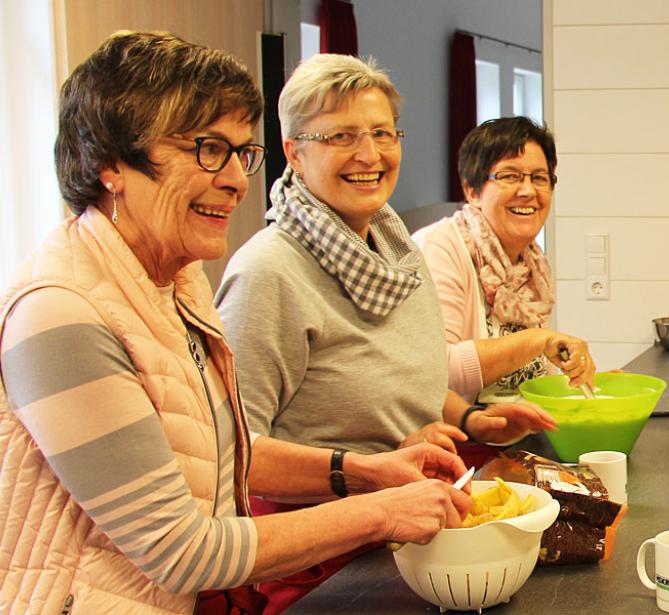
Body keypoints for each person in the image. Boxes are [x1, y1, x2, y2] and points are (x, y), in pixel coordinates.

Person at [0, 32, 473, 615]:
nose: (235, 179)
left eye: (240, 152)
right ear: (108, 164)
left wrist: (364, 472)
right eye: (206, 149)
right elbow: (180, 550)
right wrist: (381, 511)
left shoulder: (173, 280)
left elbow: (227, 453)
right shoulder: (60, 317)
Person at [216, 55, 559, 462]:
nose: (369, 154)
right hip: (328, 517)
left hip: (416, 500)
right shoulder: (267, 271)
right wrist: (365, 469)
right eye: (341, 137)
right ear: (294, 154)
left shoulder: (400, 253)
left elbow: (409, 387)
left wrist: (471, 420)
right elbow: (233, 456)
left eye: (382, 133)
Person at [413, 117, 597, 405]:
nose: (527, 191)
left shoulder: (531, 262)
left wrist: (578, 384)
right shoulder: (441, 247)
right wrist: (538, 340)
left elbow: (530, 376)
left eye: (539, 178)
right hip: (457, 441)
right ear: (472, 191)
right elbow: (435, 369)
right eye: (509, 176)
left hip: (515, 434)